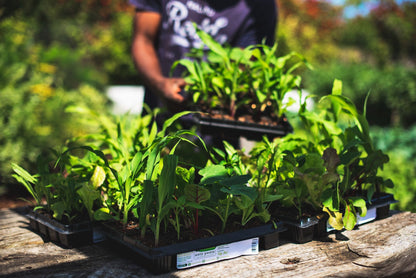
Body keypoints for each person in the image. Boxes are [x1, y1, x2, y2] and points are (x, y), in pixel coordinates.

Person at [129, 0, 278, 114]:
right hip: (158, 114)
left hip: (217, 127)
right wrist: (159, 83)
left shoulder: (260, 6)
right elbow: (143, 40)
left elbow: (243, 63)